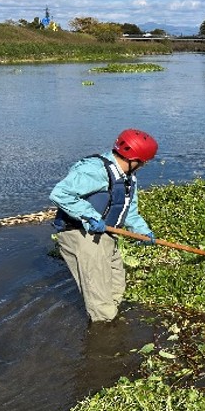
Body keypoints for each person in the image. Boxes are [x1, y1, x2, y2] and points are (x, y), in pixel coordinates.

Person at [50, 129, 158, 323]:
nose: (143, 166)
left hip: (107, 235)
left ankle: (109, 324)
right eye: (143, 162)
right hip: (82, 235)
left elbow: (129, 211)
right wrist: (90, 216)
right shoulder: (95, 170)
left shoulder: (129, 178)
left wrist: (143, 231)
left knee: (116, 287)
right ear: (135, 159)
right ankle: (103, 340)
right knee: (102, 306)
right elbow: (60, 193)